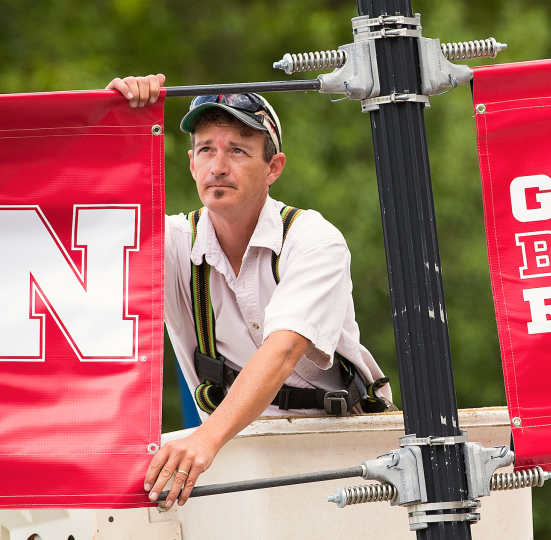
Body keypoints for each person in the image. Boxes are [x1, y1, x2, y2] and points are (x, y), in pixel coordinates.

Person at [107, 75, 393, 509]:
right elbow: (93, 223)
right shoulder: (169, 243)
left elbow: (282, 351)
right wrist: (119, 122)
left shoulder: (313, 239)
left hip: (343, 451)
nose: (218, 166)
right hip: (240, 458)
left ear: (273, 167)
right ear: (191, 163)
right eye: (206, 149)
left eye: (237, 150)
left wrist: (205, 438)